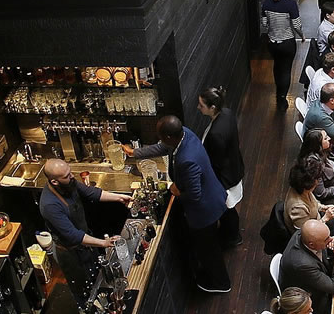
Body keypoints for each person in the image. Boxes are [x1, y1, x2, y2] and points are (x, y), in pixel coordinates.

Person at [134, 115, 231, 294]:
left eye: (160, 135)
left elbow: (194, 195)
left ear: (169, 136)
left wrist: (175, 190)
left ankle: (221, 284)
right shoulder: (184, 133)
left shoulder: (187, 160)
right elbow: (162, 147)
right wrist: (135, 153)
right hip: (212, 194)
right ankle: (213, 273)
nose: (160, 139)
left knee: (208, 250)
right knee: (208, 247)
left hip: (204, 210)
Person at [37, 159, 129, 297]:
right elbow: (74, 235)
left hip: (86, 244)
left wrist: (119, 198)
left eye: (70, 172)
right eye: (67, 176)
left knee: (99, 278)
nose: (72, 176)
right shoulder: (49, 205)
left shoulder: (68, 184)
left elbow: (90, 192)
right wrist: (104, 243)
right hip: (71, 253)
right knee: (85, 290)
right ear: (54, 181)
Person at [197, 85, 244, 246]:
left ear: (213, 107)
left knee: (227, 210)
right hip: (234, 167)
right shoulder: (227, 113)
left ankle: (232, 237)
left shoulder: (216, 134)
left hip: (224, 176)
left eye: (201, 105)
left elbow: (216, 163)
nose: (198, 108)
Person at [279, 220, 334, 314]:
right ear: (311, 245)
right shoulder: (302, 264)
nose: (331, 239)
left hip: (316, 277)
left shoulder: (303, 234)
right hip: (311, 300)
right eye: (326, 239)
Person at [261, 0, 304, 108]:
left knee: (277, 67)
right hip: (287, 43)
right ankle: (282, 98)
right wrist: (302, 36)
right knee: (286, 70)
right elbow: (296, 25)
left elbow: (264, 24)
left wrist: (272, 30)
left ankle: (278, 91)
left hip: (272, 43)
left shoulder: (266, 2)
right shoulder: (290, 4)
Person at [284, 159, 334, 232]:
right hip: (313, 233)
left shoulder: (302, 188)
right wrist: (325, 218)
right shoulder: (298, 208)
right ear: (308, 184)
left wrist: (324, 207)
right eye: (316, 180)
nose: (318, 182)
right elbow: (307, 233)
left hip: (316, 219)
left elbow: (313, 203)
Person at [296, 127, 334, 202]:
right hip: (329, 197)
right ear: (318, 145)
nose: (329, 138)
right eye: (325, 138)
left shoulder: (323, 151)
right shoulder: (314, 166)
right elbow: (321, 193)